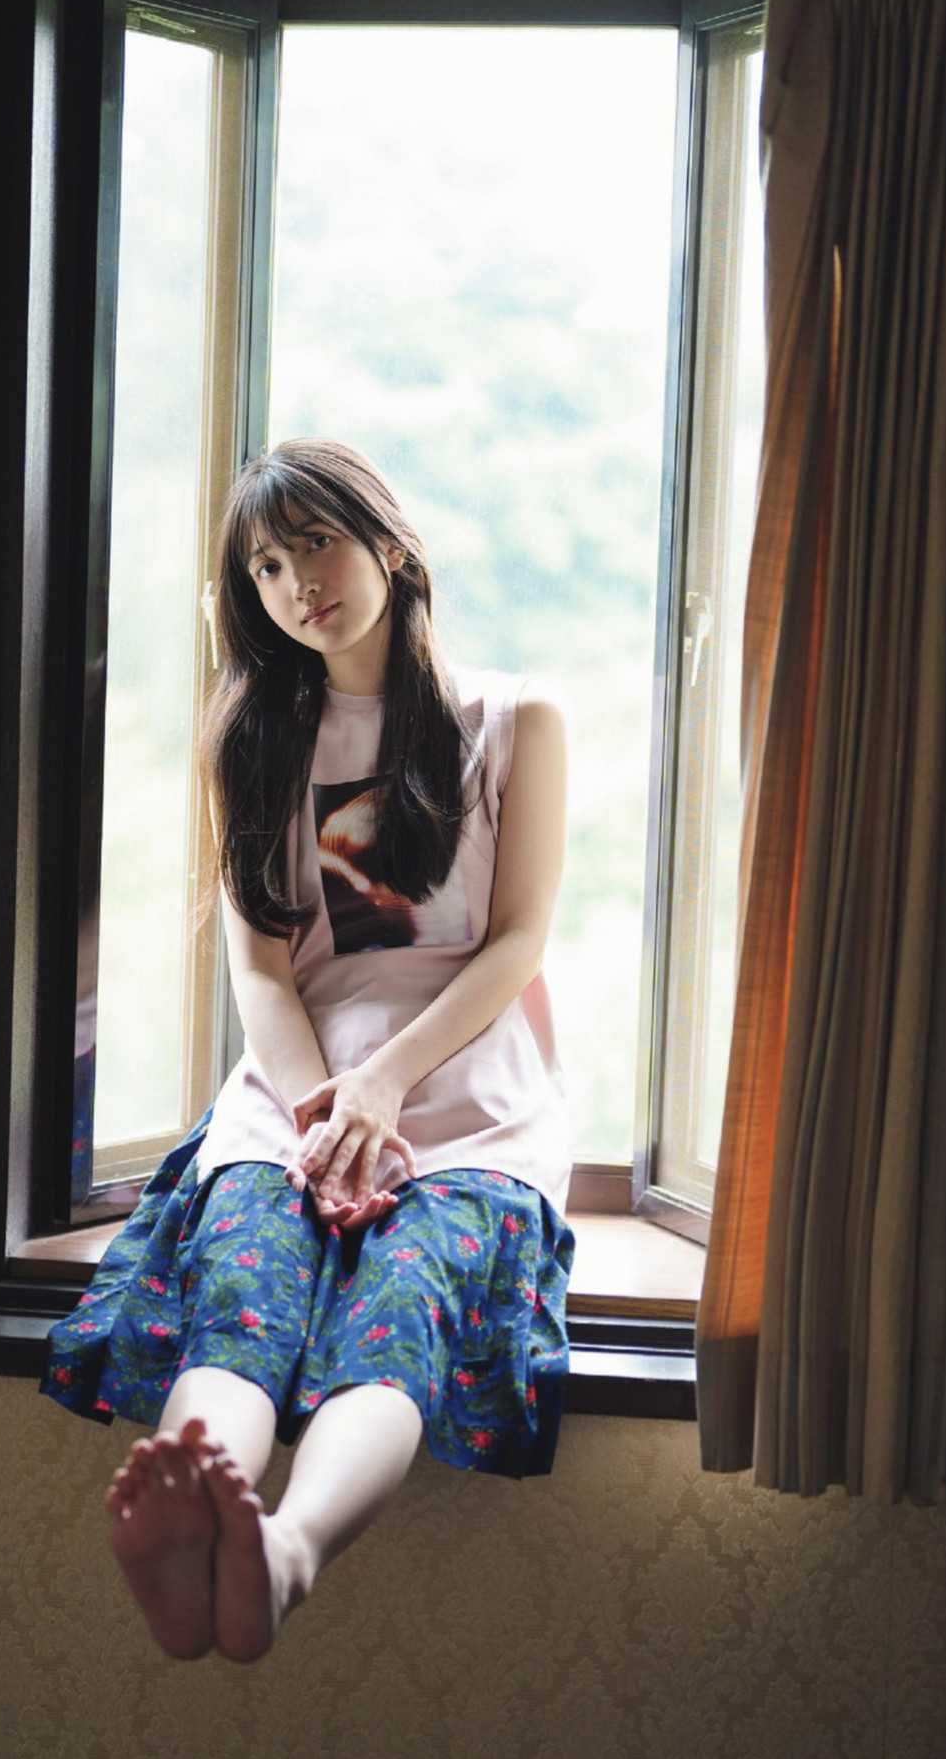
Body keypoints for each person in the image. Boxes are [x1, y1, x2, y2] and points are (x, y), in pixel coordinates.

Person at [41, 437, 576, 1665]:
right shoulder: (253, 739)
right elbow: (262, 972)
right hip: (295, 1096)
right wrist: (319, 1118)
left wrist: (384, 1087)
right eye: (267, 567)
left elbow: (516, 942)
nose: (296, 584)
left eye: (316, 544)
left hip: (469, 1104)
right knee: (245, 1295)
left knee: (403, 1304)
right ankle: (200, 1522)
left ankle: (288, 1548)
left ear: (390, 543)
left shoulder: (513, 720)